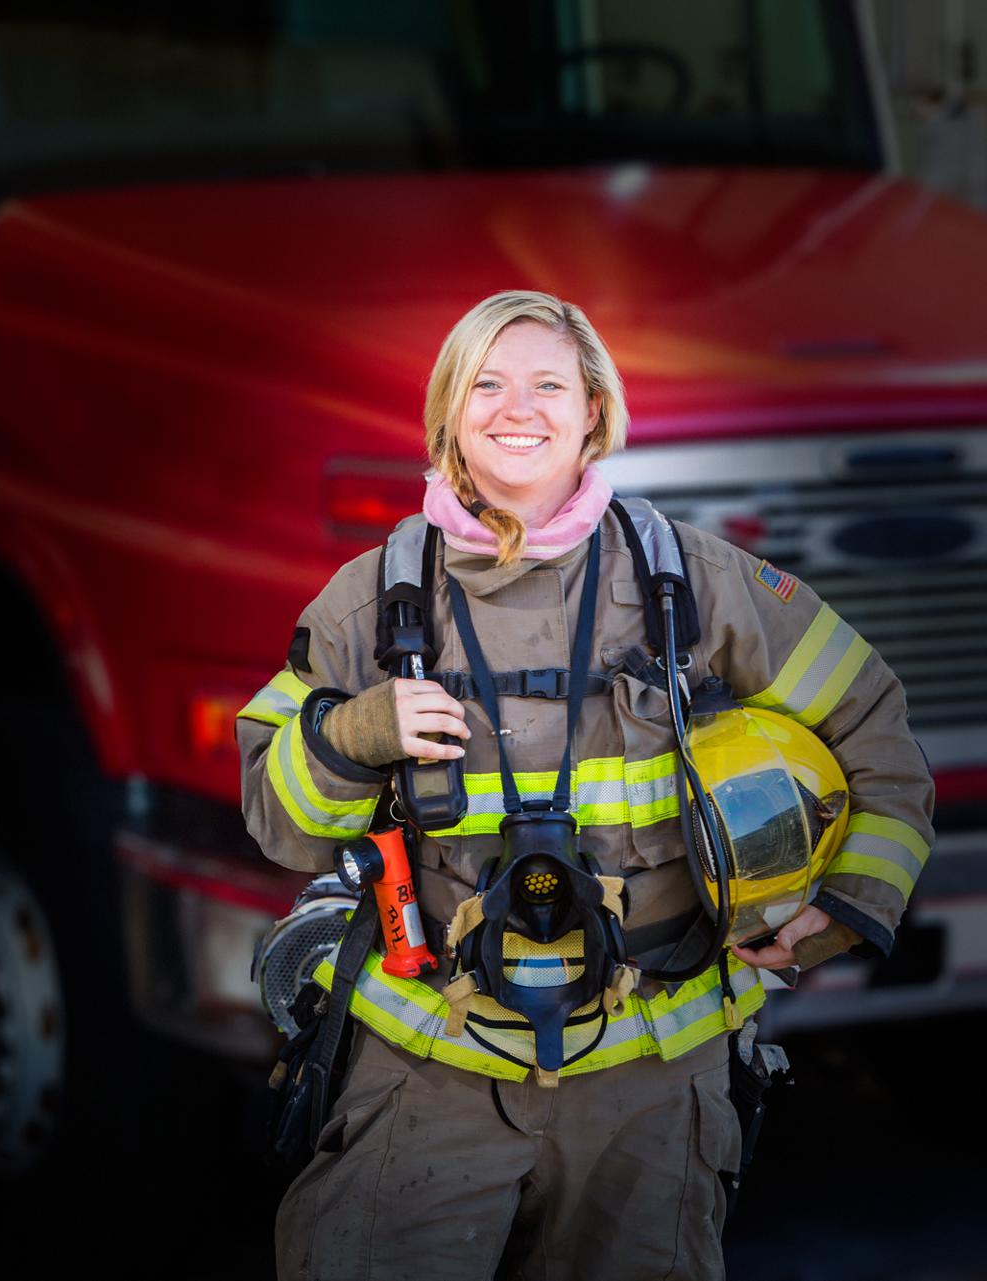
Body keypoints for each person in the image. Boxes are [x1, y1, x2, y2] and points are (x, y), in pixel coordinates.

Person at [238, 290, 935, 1280]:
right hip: (426, 1081)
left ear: (594, 413)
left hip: (651, 1097)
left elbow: (874, 723)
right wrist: (353, 732)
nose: (516, 406)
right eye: (487, 382)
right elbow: (277, 819)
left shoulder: (695, 583)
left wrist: (855, 900)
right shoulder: (369, 599)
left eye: (547, 384)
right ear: (448, 414)